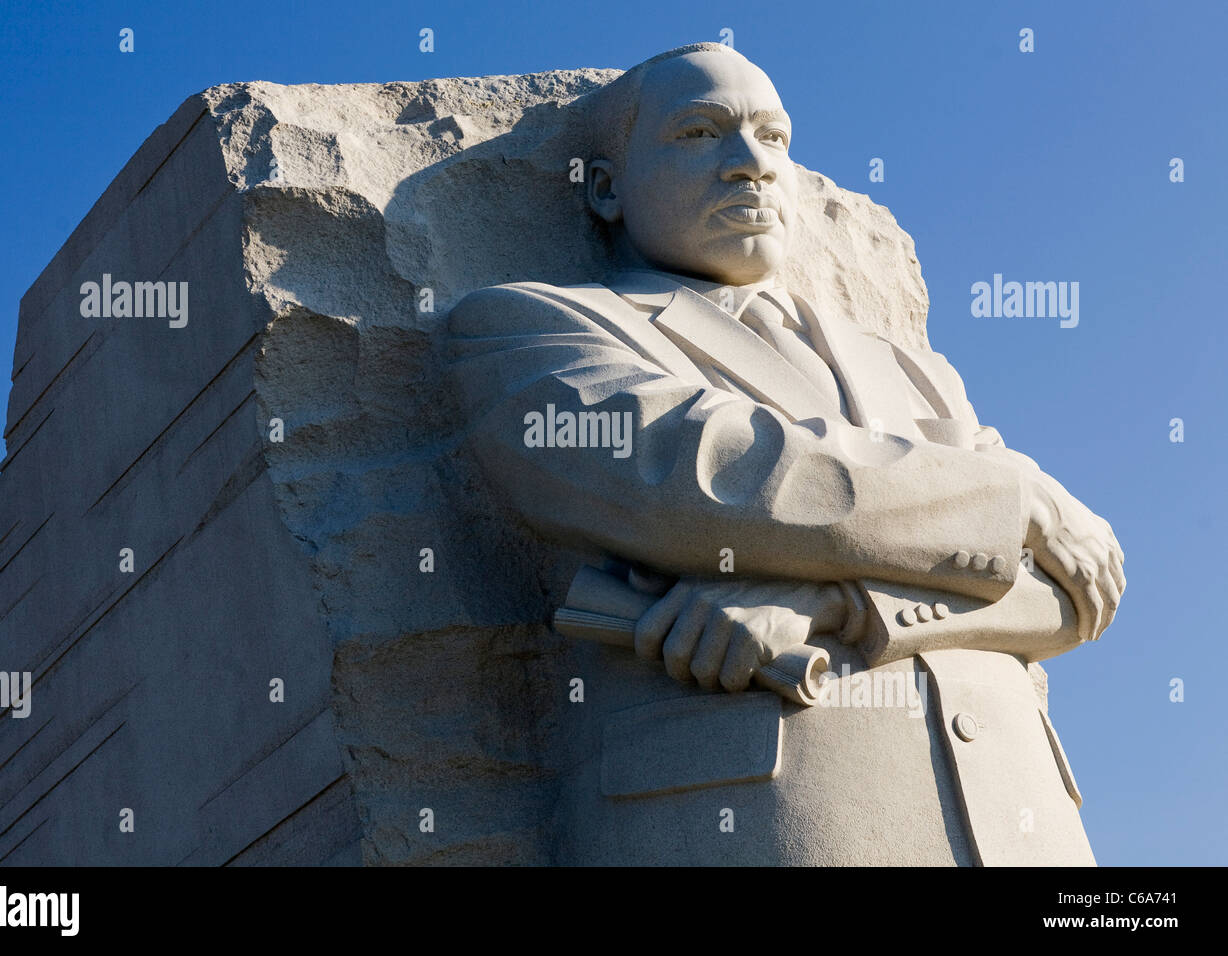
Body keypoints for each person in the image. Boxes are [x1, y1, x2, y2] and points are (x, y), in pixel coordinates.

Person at [447, 42, 1123, 865]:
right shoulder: (529, 328)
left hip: (1025, 822)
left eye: (774, 137)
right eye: (700, 134)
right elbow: (722, 476)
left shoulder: (913, 371)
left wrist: (833, 605)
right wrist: (1018, 496)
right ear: (606, 188)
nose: (750, 166)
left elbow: (1075, 592)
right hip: (766, 820)